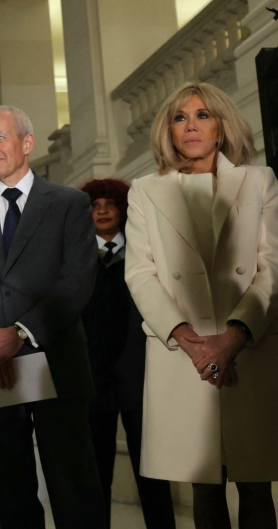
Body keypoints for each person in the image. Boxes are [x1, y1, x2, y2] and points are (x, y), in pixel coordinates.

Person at [0, 105, 105, 528]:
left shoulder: (69, 203)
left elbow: (76, 281)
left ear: (27, 143)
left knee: (73, 487)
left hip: (57, 362)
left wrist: (21, 332)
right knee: (8, 492)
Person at [125, 82, 278, 529]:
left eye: (202, 115)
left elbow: (271, 266)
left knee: (256, 482)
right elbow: (140, 273)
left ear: (221, 126)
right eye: (180, 117)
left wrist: (233, 337)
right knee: (203, 485)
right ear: (169, 131)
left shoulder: (260, 181)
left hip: (250, 347)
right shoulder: (144, 191)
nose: (191, 125)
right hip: (183, 355)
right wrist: (192, 342)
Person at [79, 179, 176, 528]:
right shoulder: (76, 259)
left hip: (141, 376)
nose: (102, 210)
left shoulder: (145, 254)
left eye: (110, 203)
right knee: (95, 477)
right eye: (95, 205)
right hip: (93, 379)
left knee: (153, 475)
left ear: (123, 209)